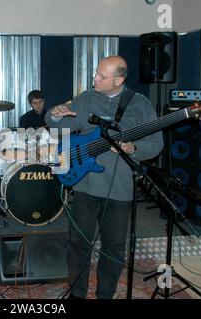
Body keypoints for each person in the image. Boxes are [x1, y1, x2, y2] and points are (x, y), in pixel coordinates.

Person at [45, 55, 163, 299]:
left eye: (101, 76)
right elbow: (59, 128)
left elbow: (155, 144)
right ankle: (76, 295)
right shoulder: (87, 98)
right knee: (78, 244)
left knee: (113, 249)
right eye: (96, 73)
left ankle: (105, 295)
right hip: (85, 185)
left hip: (119, 190)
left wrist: (133, 149)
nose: (94, 78)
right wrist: (55, 115)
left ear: (119, 79)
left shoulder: (140, 104)